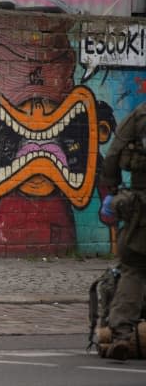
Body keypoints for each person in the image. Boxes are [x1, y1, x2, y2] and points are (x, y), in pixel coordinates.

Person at [98, 102, 146, 360]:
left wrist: (114, 191)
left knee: (134, 270)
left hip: (141, 208)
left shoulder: (140, 116)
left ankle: (122, 335)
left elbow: (113, 155)